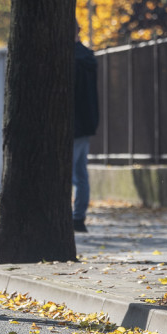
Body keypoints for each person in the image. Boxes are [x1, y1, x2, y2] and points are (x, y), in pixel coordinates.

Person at [73, 24, 100, 233]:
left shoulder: (70, 59)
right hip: (86, 121)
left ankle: (71, 216)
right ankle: (79, 216)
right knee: (81, 172)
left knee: (68, 172)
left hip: (72, 122)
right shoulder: (88, 57)